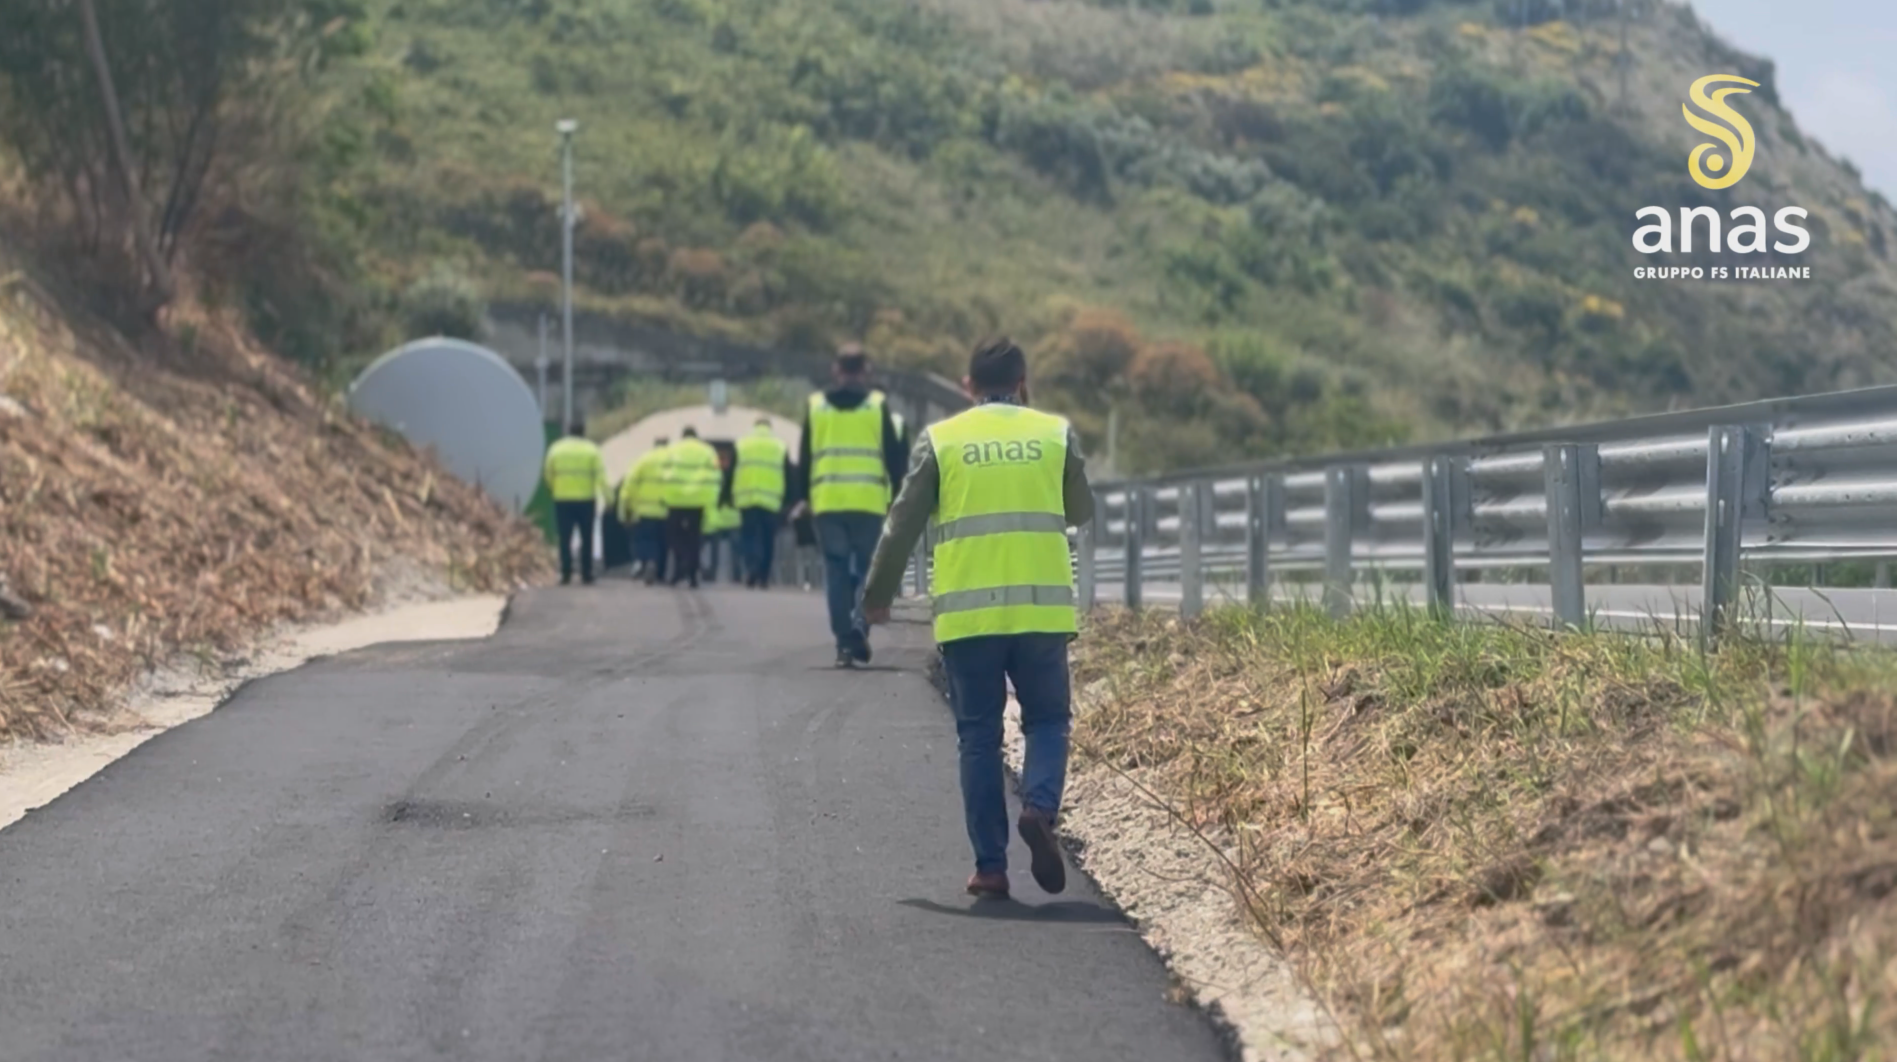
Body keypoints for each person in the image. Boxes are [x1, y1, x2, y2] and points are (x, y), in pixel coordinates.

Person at [861, 336, 1095, 899]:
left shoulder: (943, 440)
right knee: (1047, 721)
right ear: (1022, 382)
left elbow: (902, 522)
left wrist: (878, 594)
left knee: (979, 738)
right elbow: (1081, 509)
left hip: (970, 621)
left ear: (968, 386)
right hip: (1040, 613)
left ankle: (991, 868)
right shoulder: (1053, 433)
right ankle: (1039, 808)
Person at [787, 345, 908, 668]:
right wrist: (898, 494)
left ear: (836, 371)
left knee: (836, 571)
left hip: (827, 503)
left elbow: (805, 457)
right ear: (865, 371)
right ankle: (859, 626)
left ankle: (843, 642)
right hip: (868, 502)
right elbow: (894, 456)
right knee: (868, 571)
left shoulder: (816, 406)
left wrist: (802, 498)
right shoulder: (876, 405)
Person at [543, 420, 608, 586]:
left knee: (565, 538)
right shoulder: (592, 450)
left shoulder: (556, 449)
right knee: (587, 537)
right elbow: (601, 477)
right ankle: (587, 573)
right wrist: (609, 498)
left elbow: (548, 473)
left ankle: (566, 573)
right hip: (586, 500)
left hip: (562, 499)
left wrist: (555, 489)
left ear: (568, 431)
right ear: (583, 432)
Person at [733, 418, 791, 588]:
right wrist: (789, 500)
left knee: (749, 536)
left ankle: (752, 567)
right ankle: (764, 576)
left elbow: (731, 471)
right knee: (768, 539)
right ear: (770, 428)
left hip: (747, 499)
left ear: (755, 427)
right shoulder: (779, 446)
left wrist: (727, 496)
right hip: (771, 500)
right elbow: (788, 474)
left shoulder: (742, 444)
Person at [661, 427, 721, 588]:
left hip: (675, 499)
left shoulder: (671, 449)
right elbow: (716, 475)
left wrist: (663, 497)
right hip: (697, 499)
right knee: (694, 538)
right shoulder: (708, 451)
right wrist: (711, 500)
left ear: (683, 436)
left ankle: (679, 569)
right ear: (696, 436)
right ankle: (693, 575)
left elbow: (663, 474)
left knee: (675, 537)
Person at [618, 436, 671, 585]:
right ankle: (660, 573)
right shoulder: (673, 460)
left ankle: (649, 561)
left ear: (654, 445)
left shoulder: (643, 460)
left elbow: (629, 486)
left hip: (644, 510)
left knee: (647, 540)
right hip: (667, 510)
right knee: (663, 543)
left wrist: (626, 509)